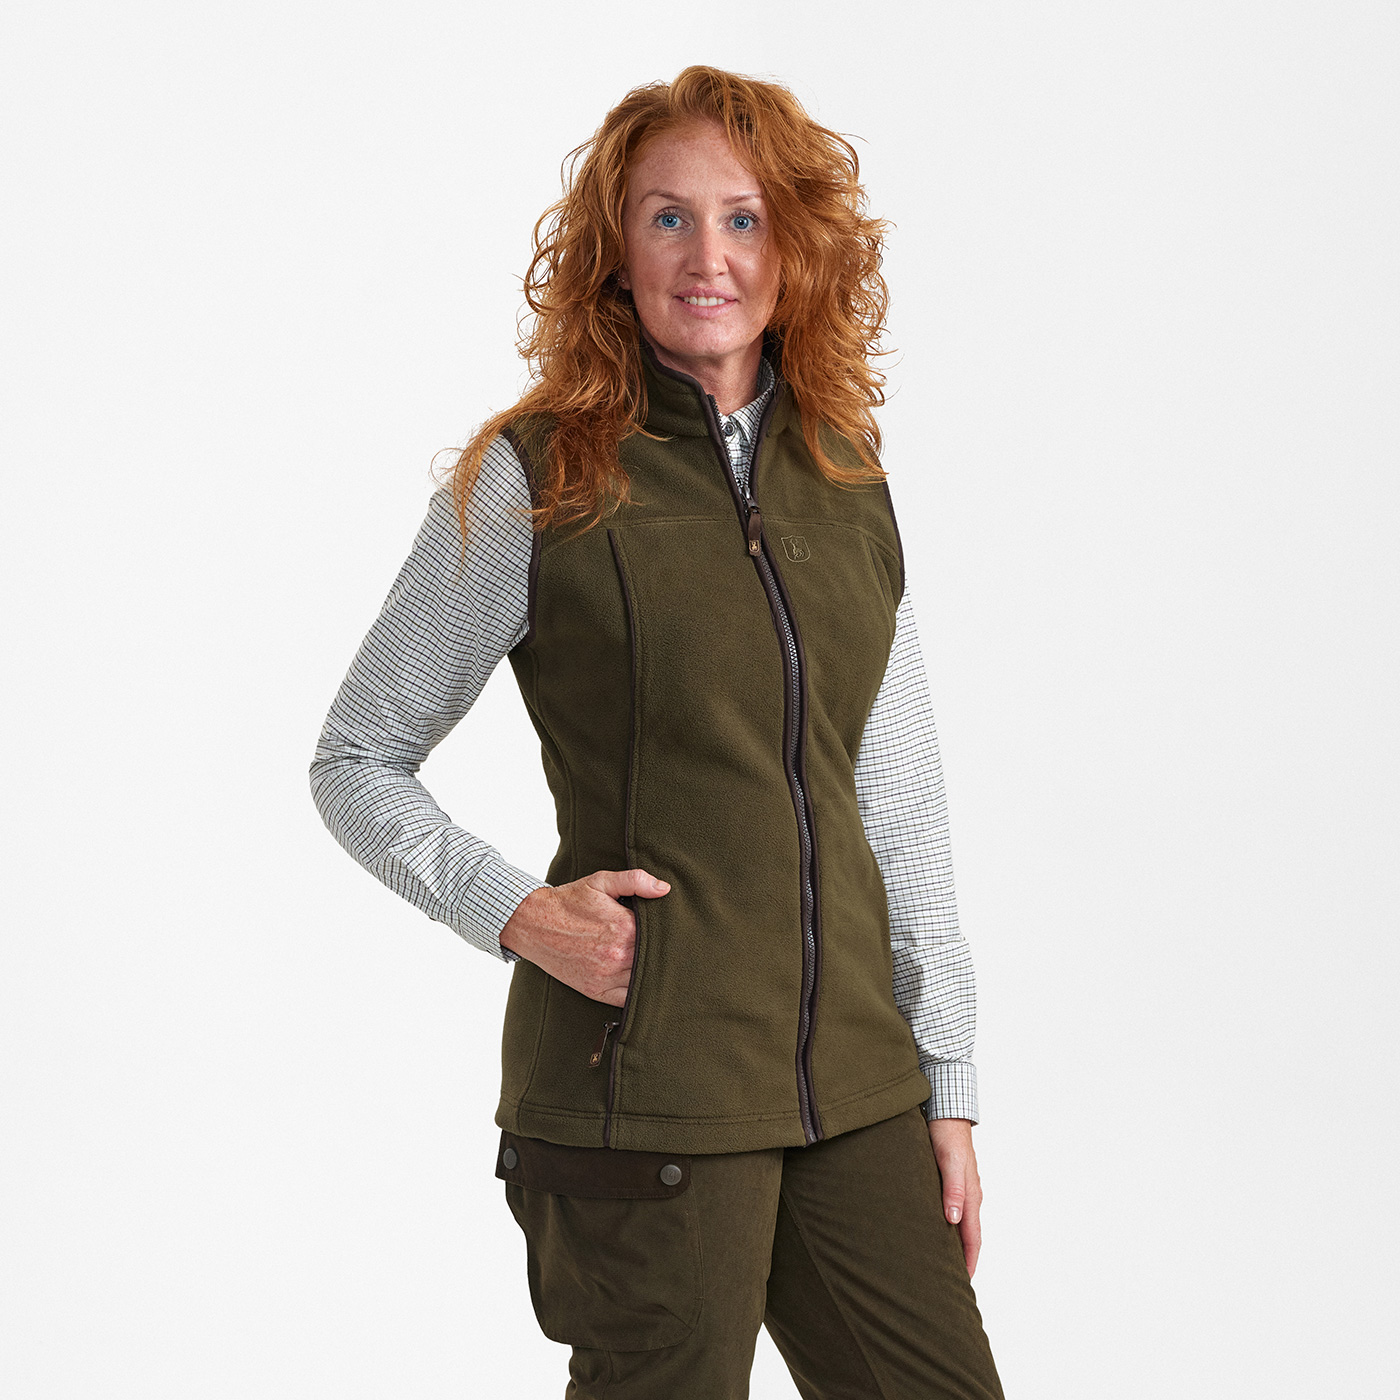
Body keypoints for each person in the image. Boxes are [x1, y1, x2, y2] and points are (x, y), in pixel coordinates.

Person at [311, 65, 1005, 1400]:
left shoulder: (845, 473)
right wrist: (518, 913)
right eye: (668, 217)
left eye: (744, 219)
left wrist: (949, 1078)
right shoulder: (536, 476)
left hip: (856, 1086)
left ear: (797, 246)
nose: (708, 257)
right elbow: (356, 758)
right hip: (649, 1094)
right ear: (613, 250)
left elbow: (898, 801)